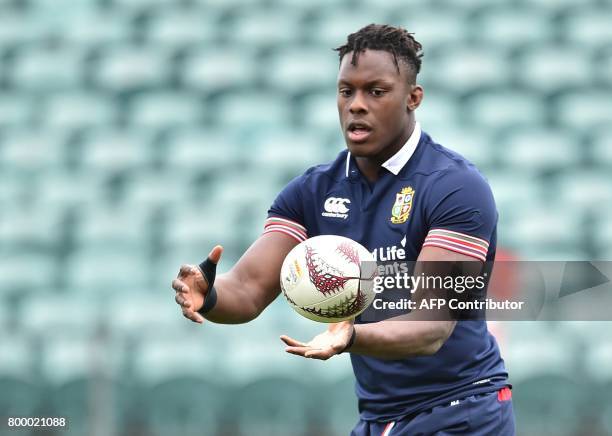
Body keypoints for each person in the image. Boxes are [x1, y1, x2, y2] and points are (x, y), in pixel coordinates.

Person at [172, 24, 515, 435]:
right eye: (346, 91)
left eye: (376, 91)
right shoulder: (312, 191)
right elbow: (247, 289)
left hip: (461, 411)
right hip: (378, 417)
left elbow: (432, 327)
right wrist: (208, 295)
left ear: (413, 98)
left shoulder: (454, 186)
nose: (356, 105)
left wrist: (351, 337)